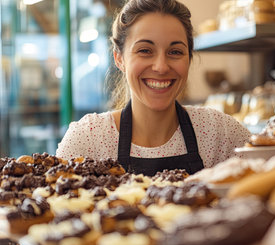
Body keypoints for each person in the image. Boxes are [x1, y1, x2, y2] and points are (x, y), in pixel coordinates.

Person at [56, 0, 251, 176]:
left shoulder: (221, 133)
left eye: (175, 52)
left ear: (189, 58)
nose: (161, 66)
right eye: (145, 51)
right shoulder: (88, 139)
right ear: (119, 58)